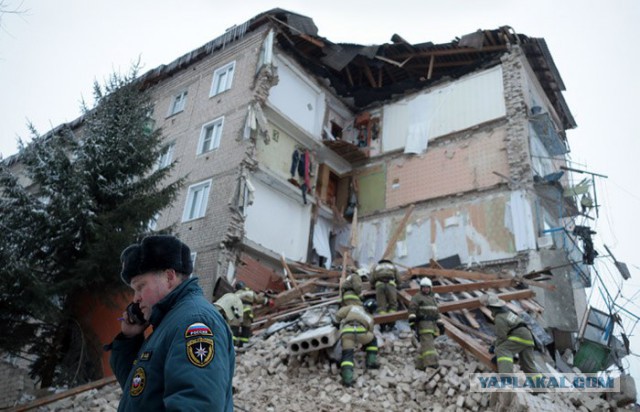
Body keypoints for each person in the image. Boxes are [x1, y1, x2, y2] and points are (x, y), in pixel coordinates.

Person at [108, 235, 234, 411]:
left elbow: (196, 405)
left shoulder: (194, 321)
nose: (136, 298)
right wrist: (129, 338)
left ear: (169, 277)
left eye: (140, 286)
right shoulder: (168, 323)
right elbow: (139, 392)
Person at [484, 294, 541, 378]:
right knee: (528, 366)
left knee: (502, 349)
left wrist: (495, 348)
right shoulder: (507, 313)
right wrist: (495, 344)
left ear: (490, 307)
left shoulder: (499, 318)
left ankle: (507, 381)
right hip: (528, 337)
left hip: (519, 336)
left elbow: (502, 337)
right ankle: (540, 389)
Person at [333, 298, 380, 387]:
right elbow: (370, 330)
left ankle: (347, 380)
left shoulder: (354, 307)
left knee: (347, 355)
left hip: (347, 333)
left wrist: (336, 322)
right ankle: (371, 362)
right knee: (373, 340)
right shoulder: (370, 318)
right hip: (361, 333)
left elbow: (339, 314)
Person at [408, 277, 445, 370]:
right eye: (423, 287)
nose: (425, 289)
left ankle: (420, 365)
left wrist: (440, 325)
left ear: (430, 288)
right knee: (429, 344)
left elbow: (436, 313)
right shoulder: (417, 297)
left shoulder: (432, 299)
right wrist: (412, 322)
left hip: (432, 325)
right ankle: (431, 363)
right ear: (421, 288)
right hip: (423, 324)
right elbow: (412, 309)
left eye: (427, 287)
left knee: (426, 344)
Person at [234, 281, 272, 347]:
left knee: (235, 327)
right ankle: (243, 344)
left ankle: (232, 344)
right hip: (248, 312)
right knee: (246, 327)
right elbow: (258, 299)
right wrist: (268, 301)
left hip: (238, 311)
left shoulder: (236, 293)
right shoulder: (250, 292)